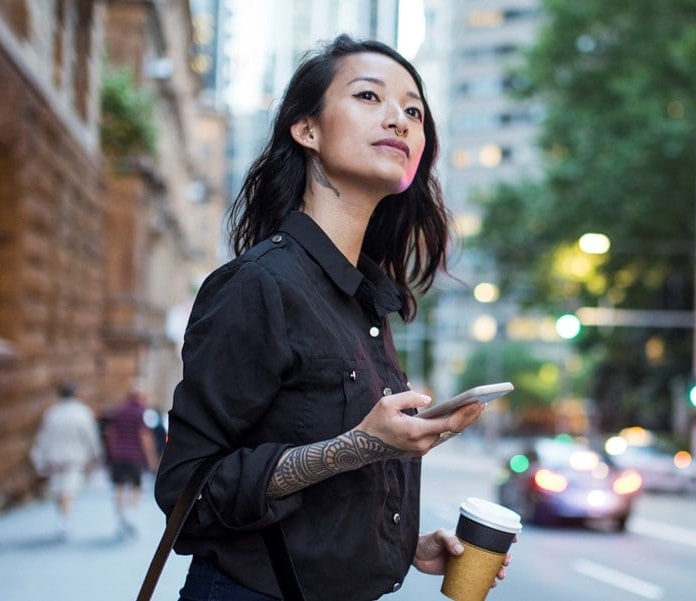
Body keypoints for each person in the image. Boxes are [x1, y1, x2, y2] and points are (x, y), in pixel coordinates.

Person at [154, 34, 510, 601]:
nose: (399, 119)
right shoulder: (258, 284)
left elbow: (316, 489)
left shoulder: (367, 301)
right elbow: (186, 492)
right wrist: (358, 446)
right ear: (307, 130)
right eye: (370, 97)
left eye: (414, 111)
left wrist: (401, 544)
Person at [30, 383, 103, 539]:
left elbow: (43, 437)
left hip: (55, 459)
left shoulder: (52, 413)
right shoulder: (82, 412)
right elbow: (90, 435)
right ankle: (64, 519)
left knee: (59, 489)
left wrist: (39, 457)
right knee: (68, 489)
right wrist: (96, 454)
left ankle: (62, 518)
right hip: (74, 458)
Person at [103, 388, 159, 538]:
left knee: (119, 487)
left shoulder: (118, 411)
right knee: (136, 487)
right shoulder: (140, 412)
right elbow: (144, 437)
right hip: (135, 456)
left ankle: (121, 517)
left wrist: (111, 452)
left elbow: (110, 433)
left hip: (118, 455)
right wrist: (151, 458)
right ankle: (131, 514)